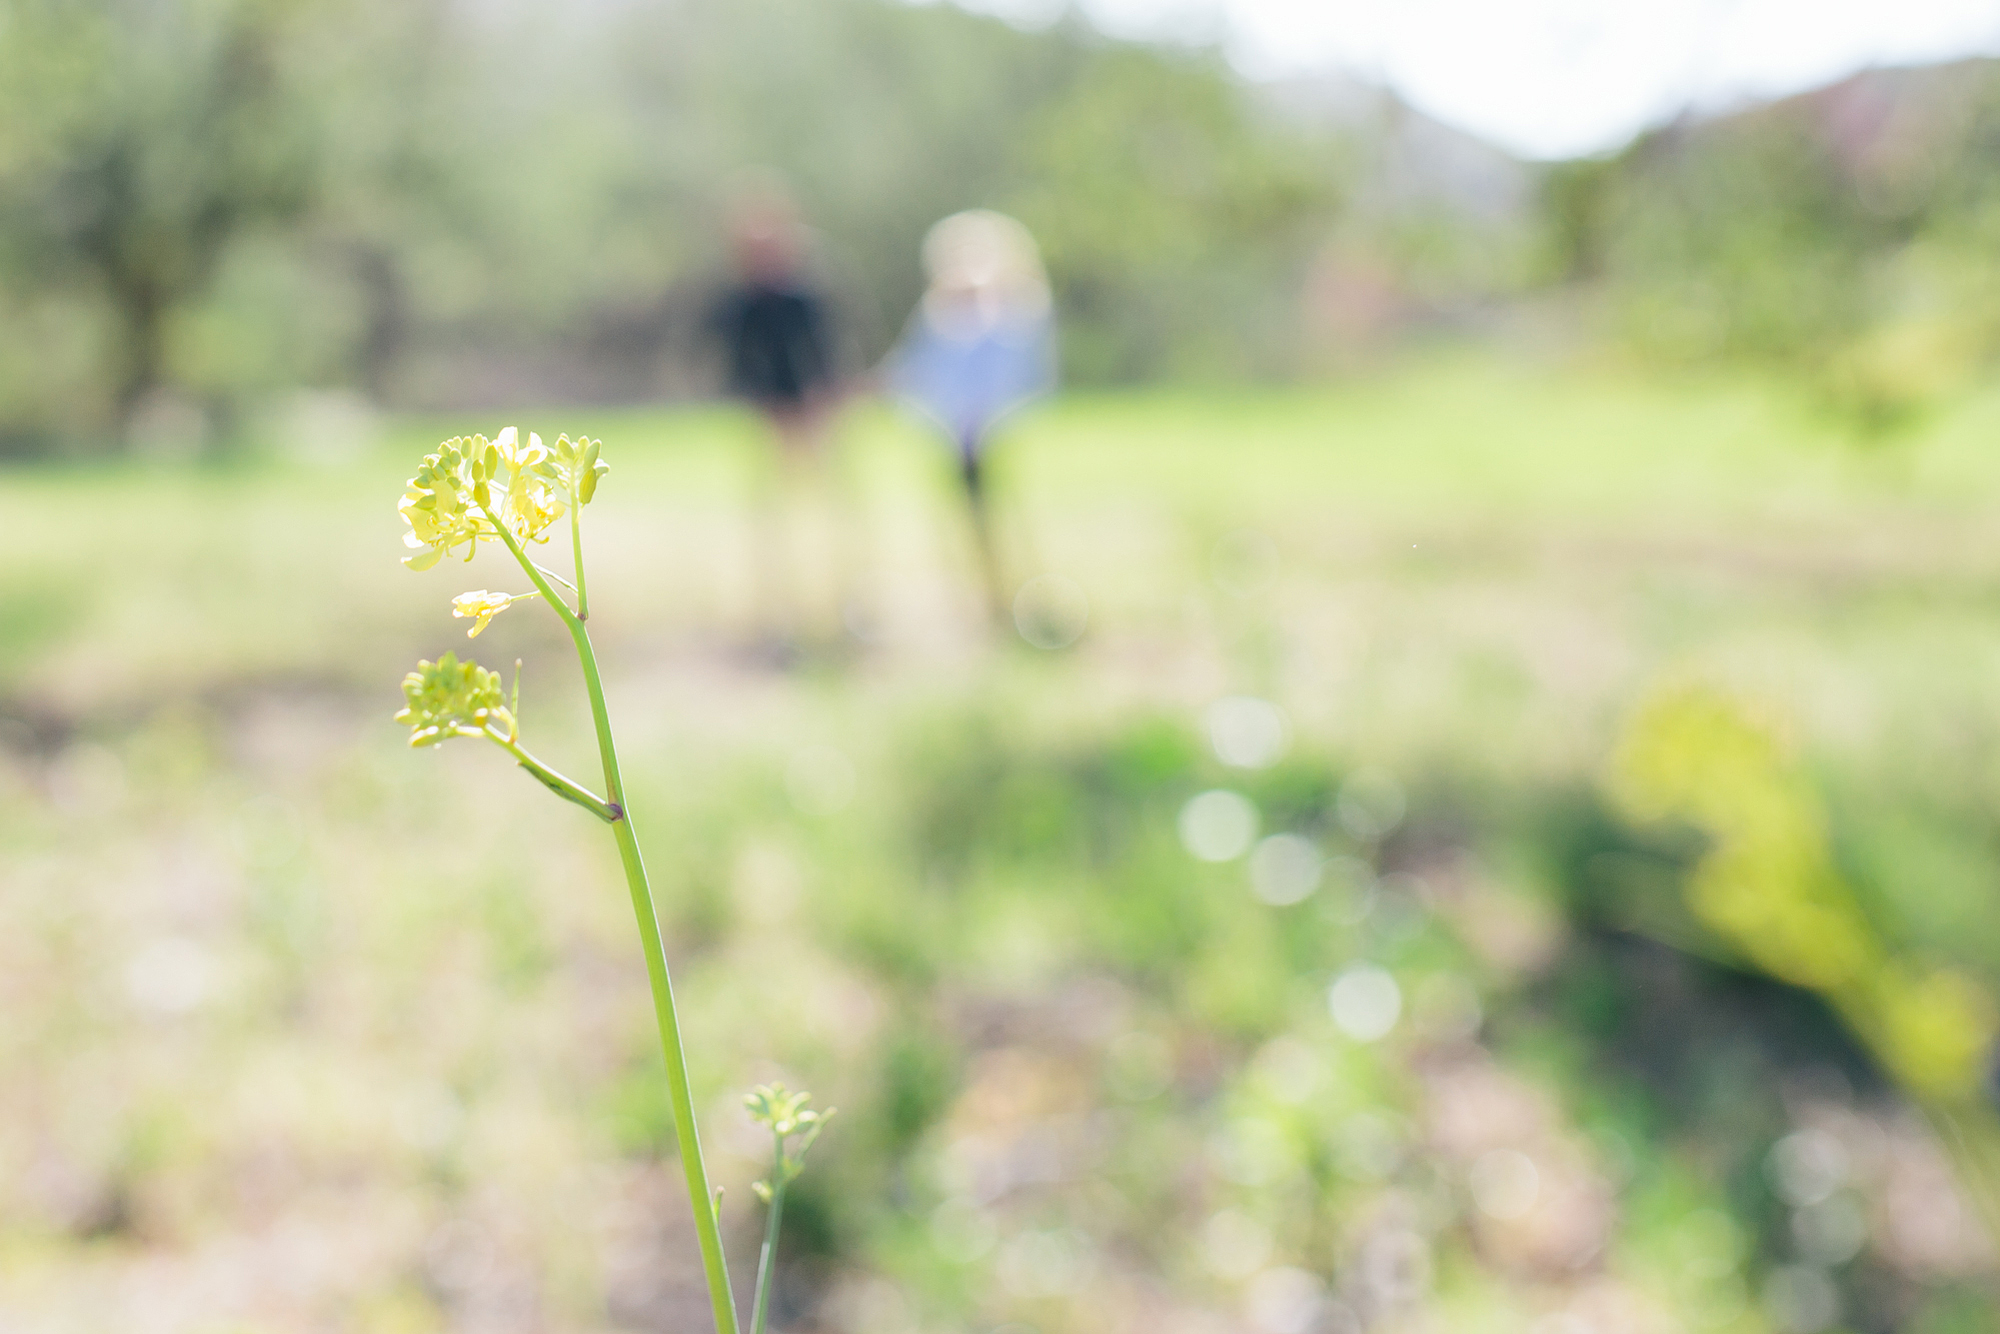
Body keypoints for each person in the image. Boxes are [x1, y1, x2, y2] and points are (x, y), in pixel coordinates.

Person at [884, 210, 1056, 626]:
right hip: (952, 434)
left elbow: (1020, 378)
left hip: (996, 435)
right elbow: (919, 372)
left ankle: (1019, 597)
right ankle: (975, 600)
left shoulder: (1015, 316)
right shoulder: (940, 316)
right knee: (960, 517)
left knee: (1004, 518)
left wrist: (987, 421)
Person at [703, 181, 848, 653]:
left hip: (812, 414)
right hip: (768, 417)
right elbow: (734, 364)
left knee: (831, 510)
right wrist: (764, 404)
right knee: (771, 517)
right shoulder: (739, 302)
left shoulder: (804, 296)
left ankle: (840, 607)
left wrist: (819, 401)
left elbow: (826, 355)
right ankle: (776, 615)